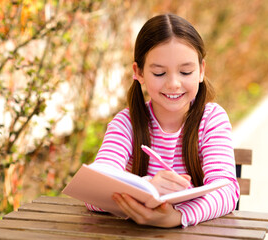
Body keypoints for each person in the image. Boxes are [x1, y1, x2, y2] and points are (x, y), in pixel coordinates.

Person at [85, 13, 240, 228]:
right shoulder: (126, 123)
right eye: (159, 73)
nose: (174, 84)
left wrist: (176, 217)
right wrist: (147, 186)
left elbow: (226, 191)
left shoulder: (211, 120)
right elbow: (94, 191)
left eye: (186, 71)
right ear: (138, 72)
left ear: (202, 70)